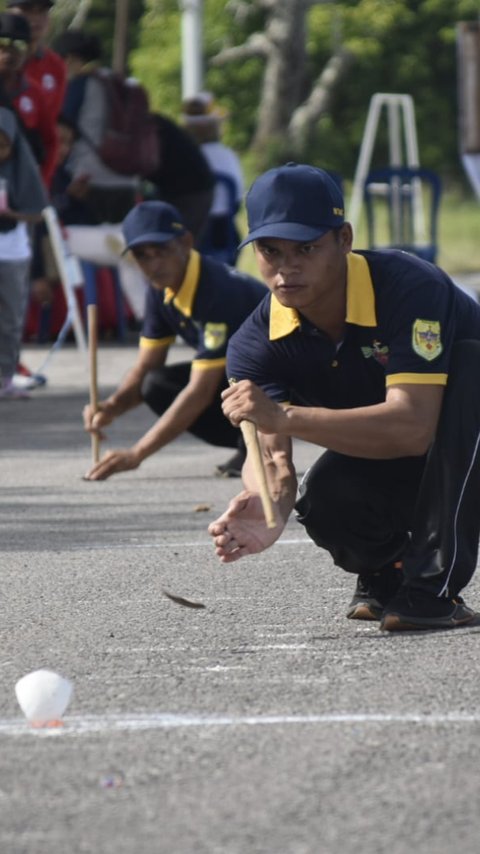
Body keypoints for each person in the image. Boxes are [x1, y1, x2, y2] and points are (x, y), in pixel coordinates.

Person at [208, 161, 480, 632]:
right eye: (270, 250)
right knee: (325, 496)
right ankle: (386, 569)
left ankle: (432, 590)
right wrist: (269, 499)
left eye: (306, 248)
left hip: (460, 442)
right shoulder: (253, 344)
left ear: (344, 239)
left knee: (474, 366)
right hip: (407, 452)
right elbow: (272, 455)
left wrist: (284, 415)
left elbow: (414, 427)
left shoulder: (409, 286)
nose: (286, 269)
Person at [82, 200, 267, 480]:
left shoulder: (217, 290)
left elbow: (200, 391)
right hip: (244, 378)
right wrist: (112, 406)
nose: (153, 265)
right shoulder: (161, 289)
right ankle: (249, 444)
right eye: (142, 255)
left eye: (162, 251)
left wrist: (137, 454)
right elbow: (145, 367)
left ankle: (259, 444)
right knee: (155, 384)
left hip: (292, 380)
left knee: (227, 382)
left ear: (185, 242)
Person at [54, 29, 139, 225]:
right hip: (127, 179)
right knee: (119, 246)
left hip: (88, 180)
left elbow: (62, 126)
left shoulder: (80, 84)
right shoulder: (120, 83)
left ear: (70, 58)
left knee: (89, 245)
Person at [0, 106, 48, 399]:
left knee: (10, 317)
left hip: (12, 251)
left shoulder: (21, 167)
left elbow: (37, 211)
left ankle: (5, 375)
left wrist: (12, 213)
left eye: (3, 145)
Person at [182, 91, 244, 263]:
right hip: (224, 235)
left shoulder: (183, 158)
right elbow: (237, 200)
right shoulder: (228, 156)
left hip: (191, 232)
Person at [0, 12, 56, 186]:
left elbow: (50, 142)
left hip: (20, 190)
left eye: (18, 45)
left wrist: (40, 185)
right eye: (2, 44)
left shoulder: (33, 92)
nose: (9, 53)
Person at [7, 0, 66, 122]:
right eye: (26, 9)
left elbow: (50, 122)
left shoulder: (55, 65)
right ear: (9, 12)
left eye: (42, 11)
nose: (35, 18)